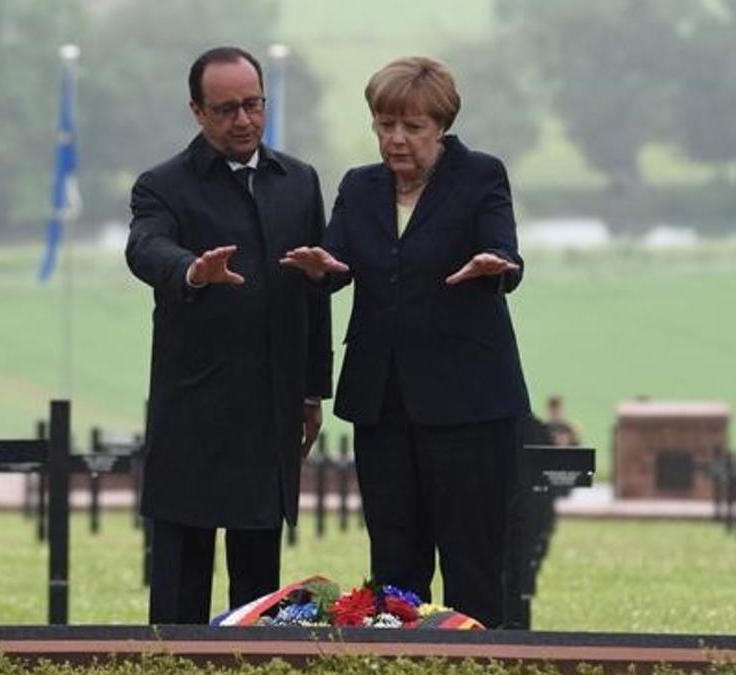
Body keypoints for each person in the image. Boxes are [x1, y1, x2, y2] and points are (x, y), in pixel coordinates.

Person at [280, 56, 531, 628]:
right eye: (384, 125)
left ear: (440, 125)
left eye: (411, 127)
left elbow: (505, 253)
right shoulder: (360, 187)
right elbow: (339, 261)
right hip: (382, 403)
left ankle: (480, 666)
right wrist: (321, 266)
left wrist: (497, 266)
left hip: (470, 405)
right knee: (394, 565)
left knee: (474, 562)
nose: (396, 140)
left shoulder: (481, 176)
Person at [125, 46, 332, 625]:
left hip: (270, 414)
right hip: (193, 412)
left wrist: (312, 392)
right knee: (180, 595)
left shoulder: (299, 181)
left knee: (258, 598)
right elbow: (145, 248)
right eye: (226, 109)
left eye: (252, 104)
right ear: (197, 111)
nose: (243, 120)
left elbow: (313, 295)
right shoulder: (162, 185)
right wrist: (193, 270)